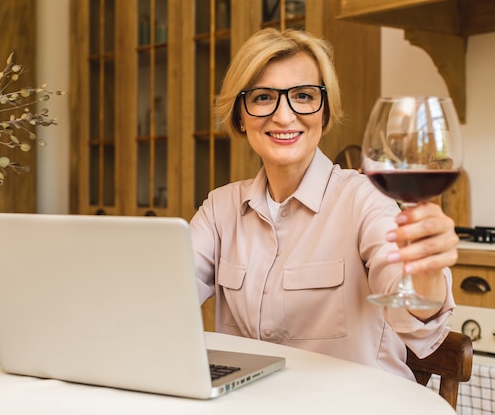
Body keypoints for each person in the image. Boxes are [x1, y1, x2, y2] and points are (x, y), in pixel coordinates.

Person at [189, 28, 459, 380]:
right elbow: (160, 299)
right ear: (241, 115)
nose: (284, 117)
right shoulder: (218, 209)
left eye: (302, 96)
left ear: (324, 112)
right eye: (262, 97)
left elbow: (418, 323)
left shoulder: (365, 199)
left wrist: (424, 273)